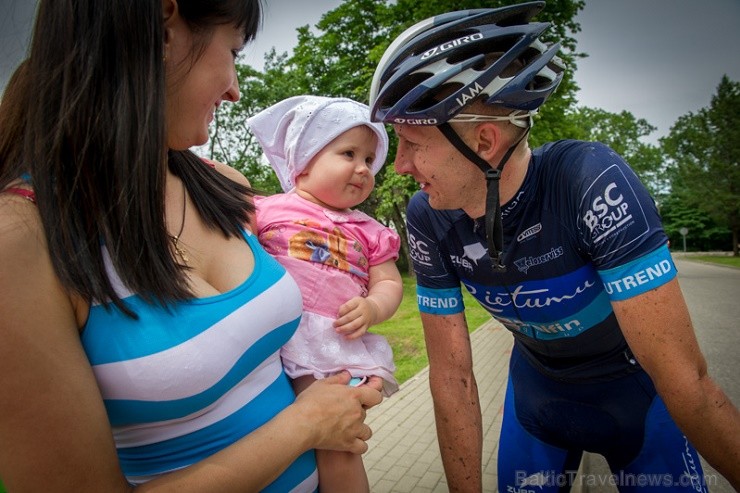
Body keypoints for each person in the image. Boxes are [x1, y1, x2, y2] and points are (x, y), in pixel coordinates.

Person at [0, 1, 384, 491]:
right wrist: (305, 426)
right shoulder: (21, 243)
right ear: (164, 27)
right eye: (233, 51)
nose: (234, 89)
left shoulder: (224, 187)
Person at [369, 2, 740, 492]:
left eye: (412, 144)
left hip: (638, 397)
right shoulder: (428, 217)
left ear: (483, 141)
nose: (399, 166)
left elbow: (686, 381)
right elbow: (453, 381)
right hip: (536, 399)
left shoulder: (587, 181)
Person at [247, 95, 403, 492]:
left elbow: (388, 282)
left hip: (331, 344)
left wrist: (372, 306)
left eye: (369, 160)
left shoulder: (369, 229)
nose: (362, 168)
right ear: (303, 161)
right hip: (269, 338)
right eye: (348, 153)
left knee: (338, 443)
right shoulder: (266, 210)